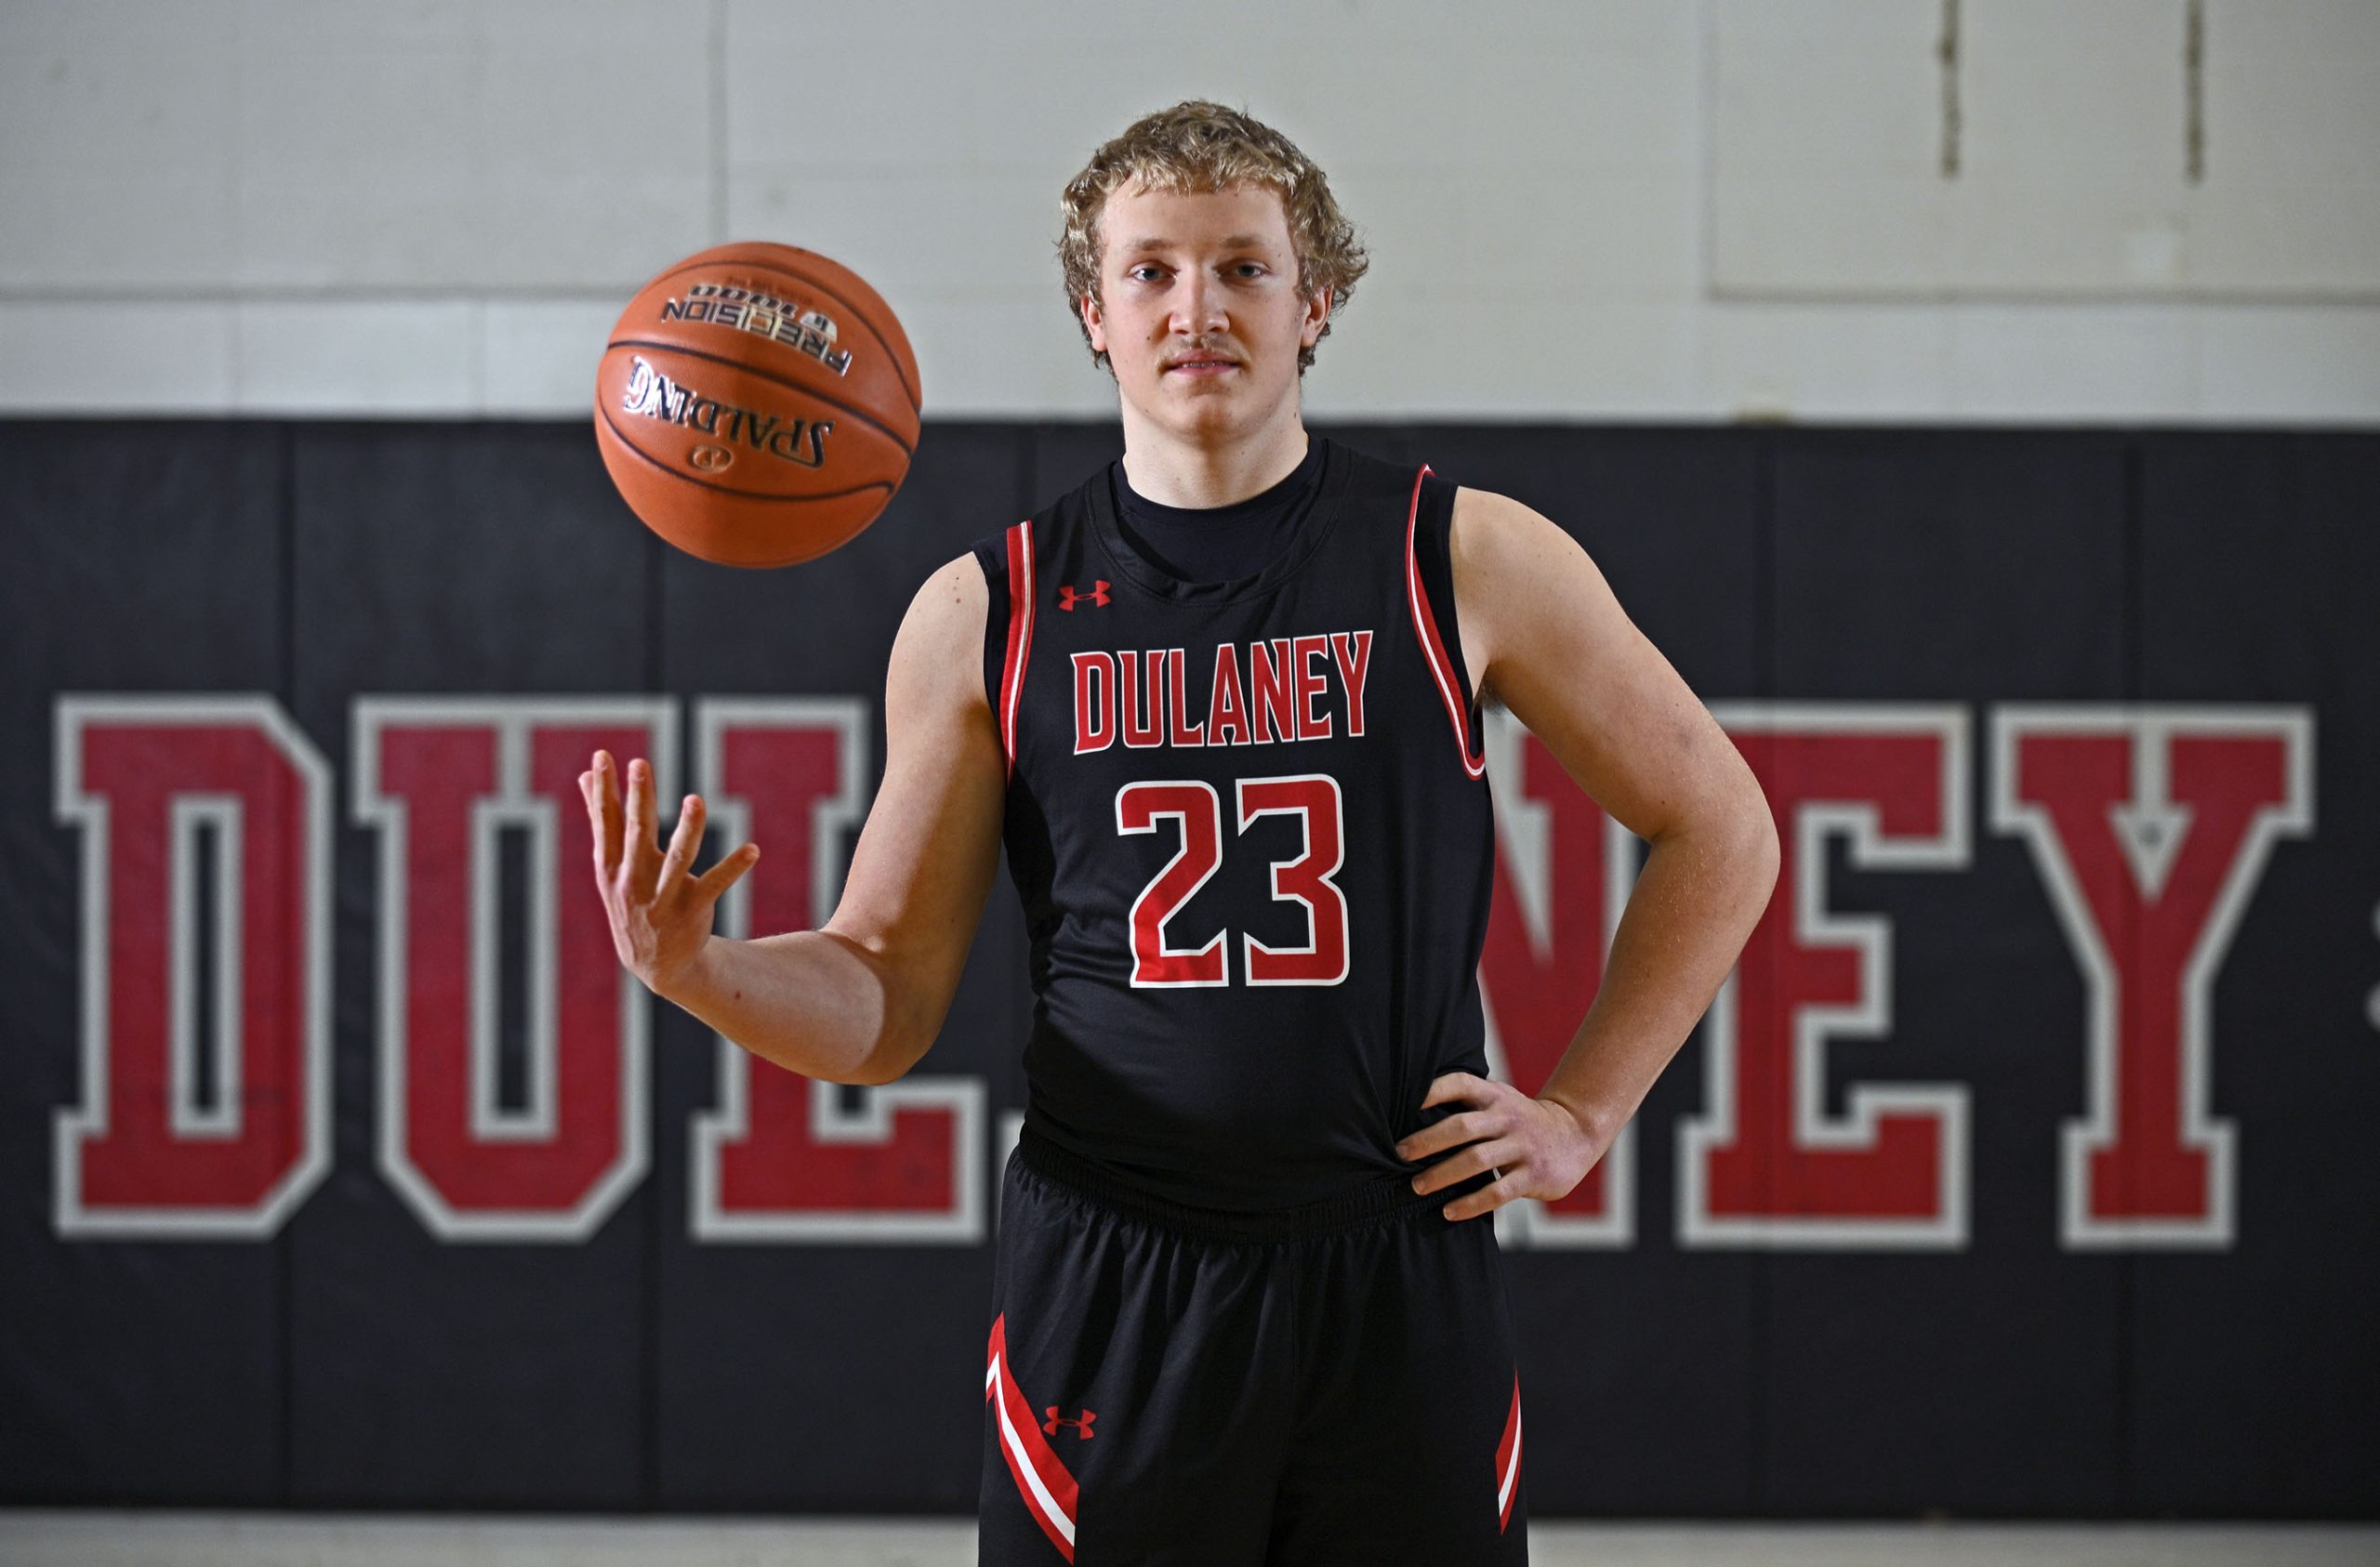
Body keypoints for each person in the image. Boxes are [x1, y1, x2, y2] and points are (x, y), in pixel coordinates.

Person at [581, 100, 1778, 1566]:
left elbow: (1720, 824)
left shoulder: (1463, 558)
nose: (1195, 308)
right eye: (1149, 270)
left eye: (1243, 267)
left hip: (1392, 1263)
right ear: (1093, 314)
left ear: (1314, 301)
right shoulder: (988, 612)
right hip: (1116, 1275)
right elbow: (884, 995)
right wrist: (699, 970)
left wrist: (1584, 1111)